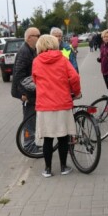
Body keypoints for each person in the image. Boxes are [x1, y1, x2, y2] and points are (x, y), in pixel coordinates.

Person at [32, 35, 82, 177]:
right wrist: (76, 92)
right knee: (62, 137)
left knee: (47, 138)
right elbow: (74, 77)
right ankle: (63, 167)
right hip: (62, 102)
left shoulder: (36, 62)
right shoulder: (62, 59)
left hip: (44, 105)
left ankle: (47, 169)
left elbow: (35, 79)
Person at [11, 27, 41, 128]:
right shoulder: (24, 52)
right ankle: (29, 144)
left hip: (32, 93)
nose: (39, 38)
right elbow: (19, 76)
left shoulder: (33, 50)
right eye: (37, 36)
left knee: (34, 123)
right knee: (30, 124)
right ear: (29, 38)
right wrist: (23, 94)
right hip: (27, 95)